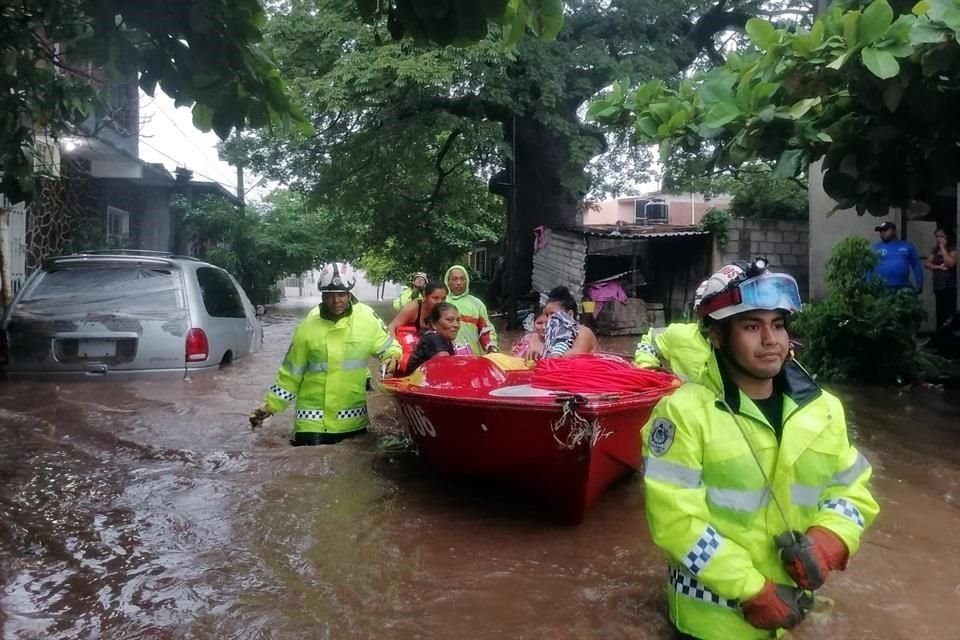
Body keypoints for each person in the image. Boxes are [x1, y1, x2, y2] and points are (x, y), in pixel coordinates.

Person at [641, 258, 878, 640]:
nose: (771, 340)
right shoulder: (682, 415)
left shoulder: (824, 409)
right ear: (716, 337)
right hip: (711, 625)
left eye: (778, 324)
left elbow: (851, 489)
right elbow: (677, 523)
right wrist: (753, 590)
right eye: (752, 326)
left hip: (790, 614)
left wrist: (831, 539)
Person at [248, 263, 400, 446]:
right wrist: (270, 407)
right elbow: (289, 375)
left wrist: (391, 357)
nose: (336, 301)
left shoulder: (367, 320)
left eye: (341, 294)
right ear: (322, 296)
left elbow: (388, 346)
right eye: (330, 295)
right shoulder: (306, 328)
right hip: (310, 424)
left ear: (349, 295)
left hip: (352, 421)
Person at [444, 265, 499, 354]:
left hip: (472, 357)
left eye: (462, 279)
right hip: (445, 357)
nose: (459, 283)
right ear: (448, 281)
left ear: (467, 281)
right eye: (455, 279)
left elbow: (486, 330)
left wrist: (491, 347)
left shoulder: (477, 304)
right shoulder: (441, 302)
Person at [403, 302, 460, 374]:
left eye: (458, 320)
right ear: (434, 324)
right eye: (449, 320)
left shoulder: (442, 339)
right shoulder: (434, 339)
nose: (456, 325)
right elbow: (445, 370)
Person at [541, 286, 598, 357]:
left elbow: (569, 359)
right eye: (547, 315)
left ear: (570, 314)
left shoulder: (583, 332)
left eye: (553, 314)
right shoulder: (553, 335)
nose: (548, 319)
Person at [871, 221, 922, 293]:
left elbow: (916, 265)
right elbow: (869, 268)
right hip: (881, 288)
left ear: (894, 231)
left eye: (885, 230)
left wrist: (919, 284)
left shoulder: (907, 246)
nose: (882, 233)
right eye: (880, 231)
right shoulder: (875, 248)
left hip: (903, 287)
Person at [923, 227, 957, 329]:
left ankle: (947, 334)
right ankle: (940, 333)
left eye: (942, 236)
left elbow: (950, 263)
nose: (939, 239)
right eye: (937, 236)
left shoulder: (952, 249)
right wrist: (937, 267)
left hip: (949, 285)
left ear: (947, 237)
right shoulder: (935, 250)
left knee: (948, 313)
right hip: (938, 285)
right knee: (940, 311)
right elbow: (927, 263)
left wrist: (942, 247)